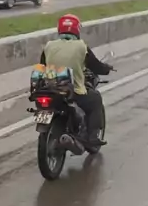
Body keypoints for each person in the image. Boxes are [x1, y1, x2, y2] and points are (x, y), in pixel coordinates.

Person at [40, 14, 112, 148]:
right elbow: (96, 66)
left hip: (50, 89)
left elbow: (43, 66)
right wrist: (106, 69)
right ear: (77, 29)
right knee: (95, 98)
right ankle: (93, 137)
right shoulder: (81, 46)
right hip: (72, 90)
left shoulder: (49, 46)